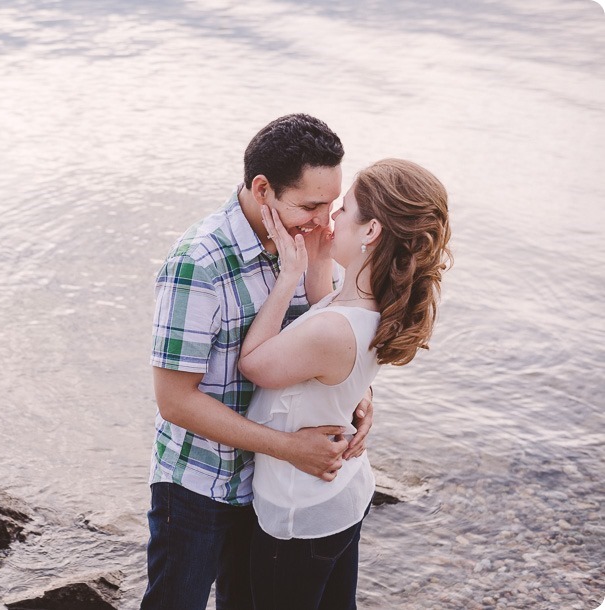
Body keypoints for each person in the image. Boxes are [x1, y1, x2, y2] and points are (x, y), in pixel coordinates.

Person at [142, 114, 375, 610]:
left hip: (270, 486)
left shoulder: (309, 244)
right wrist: (290, 448)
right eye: (311, 205)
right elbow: (175, 401)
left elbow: (330, 337)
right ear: (263, 188)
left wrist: (360, 397)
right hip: (198, 483)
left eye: (332, 206)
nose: (324, 221)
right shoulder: (197, 263)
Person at [239, 158, 452, 610]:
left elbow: (254, 364)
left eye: (345, 208)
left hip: (301, 513)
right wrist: (318, 258)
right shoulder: (372, 300)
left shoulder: (335, 332)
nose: (331, 216)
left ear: (371, 231)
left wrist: (289, 274)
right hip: (342, 495)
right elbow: (328, 310)